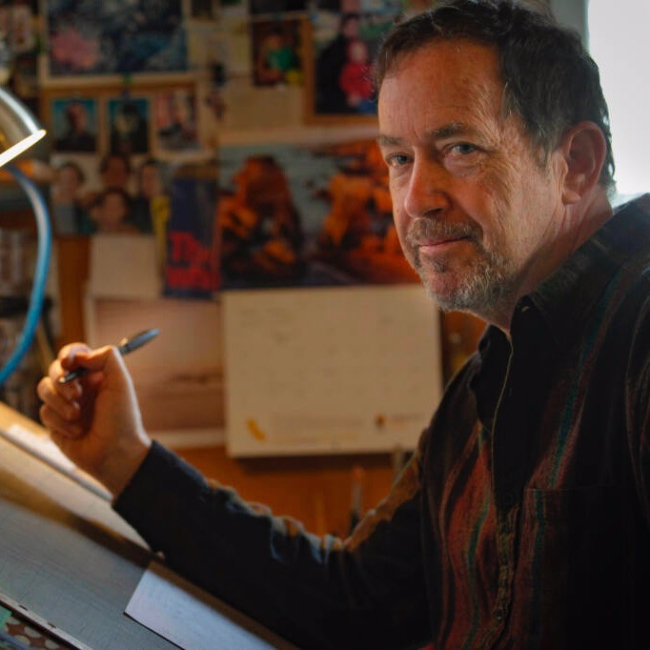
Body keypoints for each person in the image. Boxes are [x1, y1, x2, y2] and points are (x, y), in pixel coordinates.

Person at [36, 2, 650, 648]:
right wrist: (125, 459)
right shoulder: (487, 380)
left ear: (576, 163)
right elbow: (354, 604)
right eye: (399, 159)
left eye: (460, 149)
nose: (416, 200)